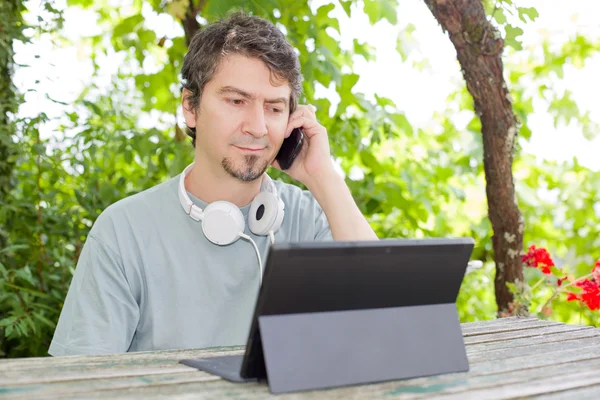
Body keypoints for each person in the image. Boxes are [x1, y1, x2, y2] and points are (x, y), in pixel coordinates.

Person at [48, 12, 377, 357]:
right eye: (236, 101)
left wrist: (323, 177)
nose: (258, 126)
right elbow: (79, 379)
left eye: (275, 108)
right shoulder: (123, 231)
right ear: (190, 107)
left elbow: (389, 321)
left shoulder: (311, 220)